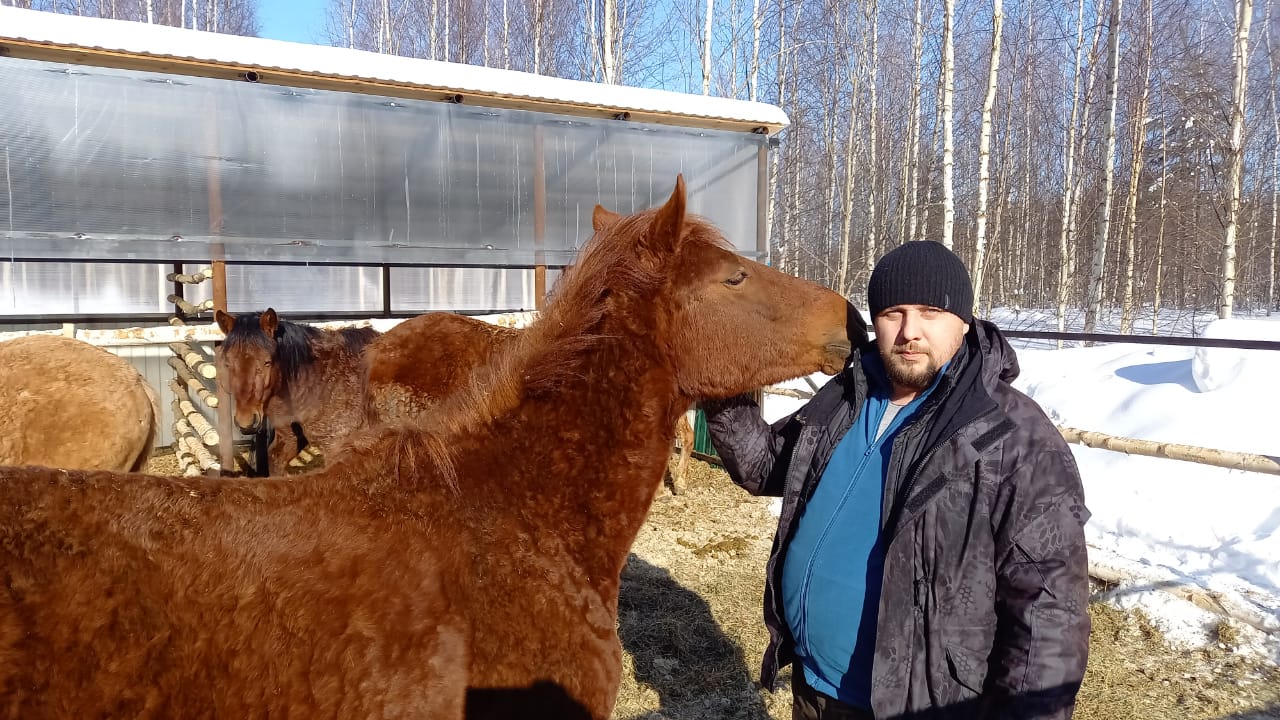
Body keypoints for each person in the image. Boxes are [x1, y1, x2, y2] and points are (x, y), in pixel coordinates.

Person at [704, 241, 1090, 720]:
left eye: (930, 312)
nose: (910, 332)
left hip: (913, 706)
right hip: (812, 688)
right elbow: (763, 465)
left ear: (963, 321)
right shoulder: (847, 396)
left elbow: (1049, 612)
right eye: (893, 313)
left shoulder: (1012, 436)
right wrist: (717, 382)